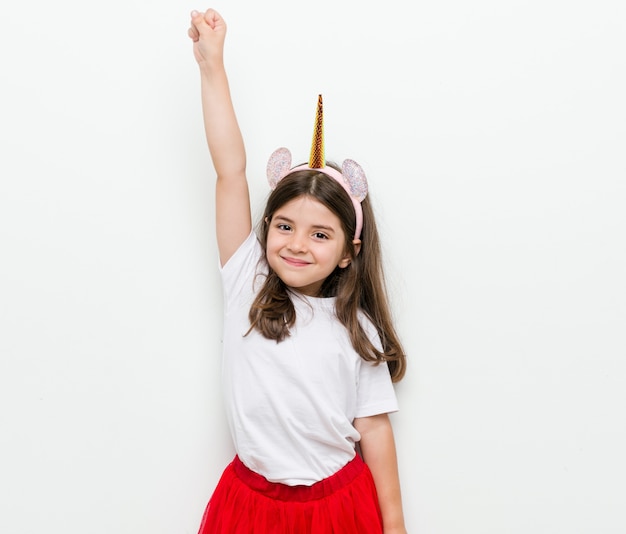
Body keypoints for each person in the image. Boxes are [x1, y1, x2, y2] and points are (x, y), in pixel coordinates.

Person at [188, 8, 408, 533]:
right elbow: (230, 172)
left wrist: (395, 526)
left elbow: (374, 431)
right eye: (284, 226)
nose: (297, 245)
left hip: (337, 505)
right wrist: (212, 67)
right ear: (265, 229)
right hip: (250, 503)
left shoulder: (358, 329)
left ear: (349, 250)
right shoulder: (248, 280)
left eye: (320, 234)